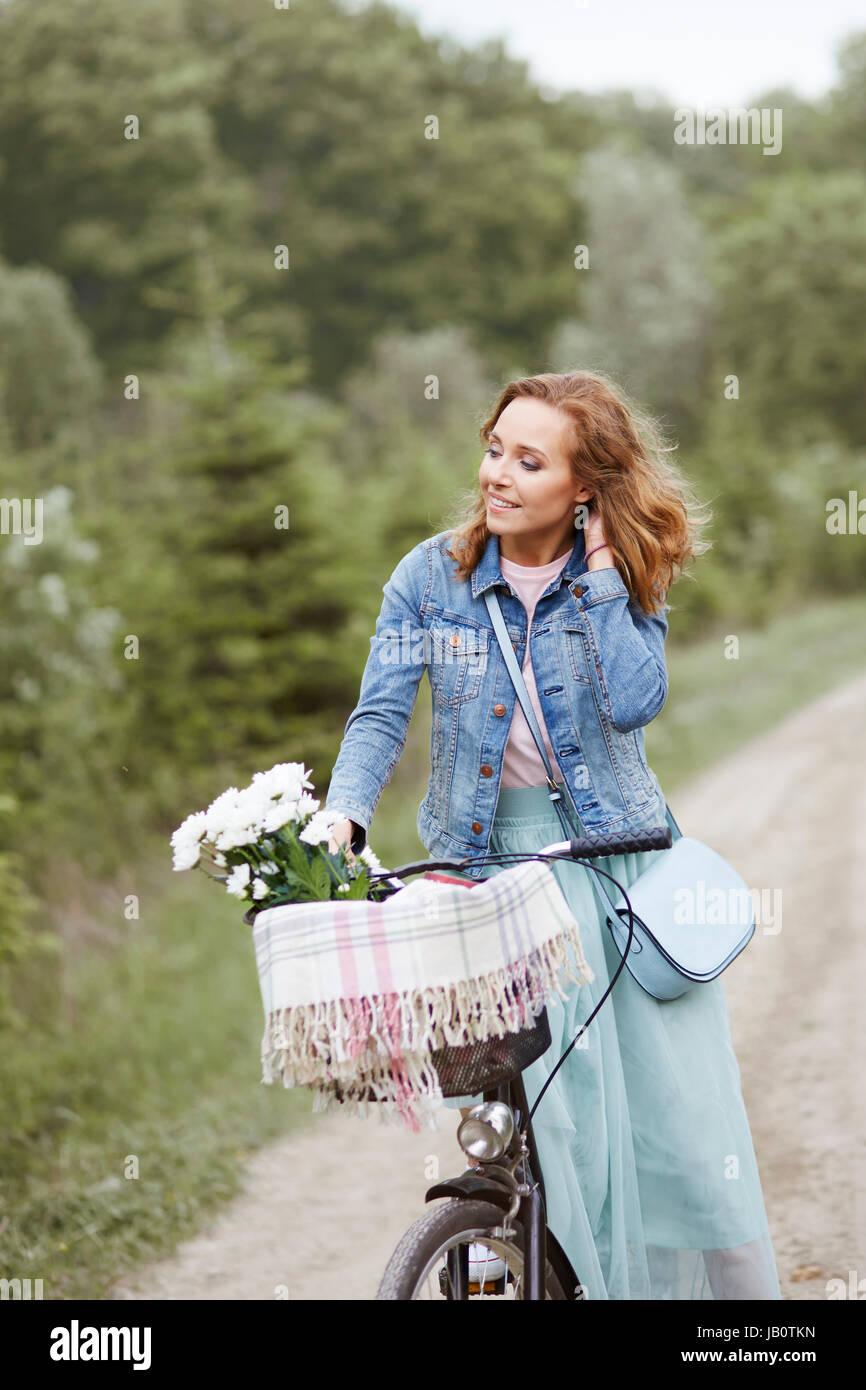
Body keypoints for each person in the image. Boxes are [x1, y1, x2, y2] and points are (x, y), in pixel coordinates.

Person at [324, 369, 781, 1300]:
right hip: (488, 883)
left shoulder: (613, 578)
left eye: (529, 461)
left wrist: (607, 579)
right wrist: (346, 811)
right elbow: (378, 719)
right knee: (543, 1137)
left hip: (615, 881)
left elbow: (636, 700)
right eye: (496, 449)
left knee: (676, 1132)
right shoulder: (428, 580)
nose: (497, 474)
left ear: (584, 489)